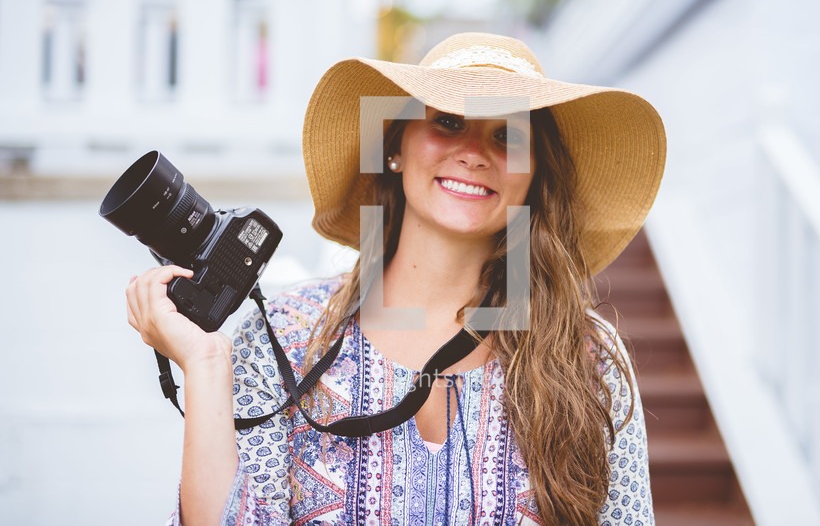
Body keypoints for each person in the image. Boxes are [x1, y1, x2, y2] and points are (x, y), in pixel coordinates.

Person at [125, 32, 666, 525]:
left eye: (507, 135)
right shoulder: (285, 339)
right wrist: (205, 365)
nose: (475, 154)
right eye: (448, 121)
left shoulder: (587, 358)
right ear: (394, 147)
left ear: (534, 174)